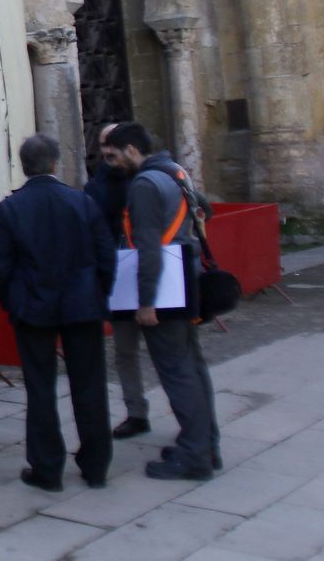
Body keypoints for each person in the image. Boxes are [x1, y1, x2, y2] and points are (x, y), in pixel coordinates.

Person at [0, 134, 116, 491]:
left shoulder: (11, 208)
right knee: (89, 384)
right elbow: (106, 256)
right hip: (82, 305)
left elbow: (1, 267)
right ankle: (95, 465)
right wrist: (98, 293)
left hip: (33, 307)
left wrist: (12, 304)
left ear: (24, 165)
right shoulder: (82, 202)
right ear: (55, 163)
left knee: (40, 387)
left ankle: (47, 467)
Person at [104, 122, 221, 480]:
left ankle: (194, 455)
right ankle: (204, 442)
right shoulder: (175, 171)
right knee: (192, 365)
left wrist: (146, 301)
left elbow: (148, 248)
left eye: (114, 155)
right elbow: (206, 210)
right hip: (187, 280)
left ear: (132, 149)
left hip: (164, 290)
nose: (112, 163)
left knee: (176, 370)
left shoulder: (142, 184)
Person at [85, 122, 149, 440]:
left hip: (155, 273)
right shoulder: (100, 186)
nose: (111, 155)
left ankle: (189, 420)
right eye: (105, 148)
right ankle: (136, 411)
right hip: (121, 272)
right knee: (125, 350)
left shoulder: (152, 177)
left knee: (168, 353)